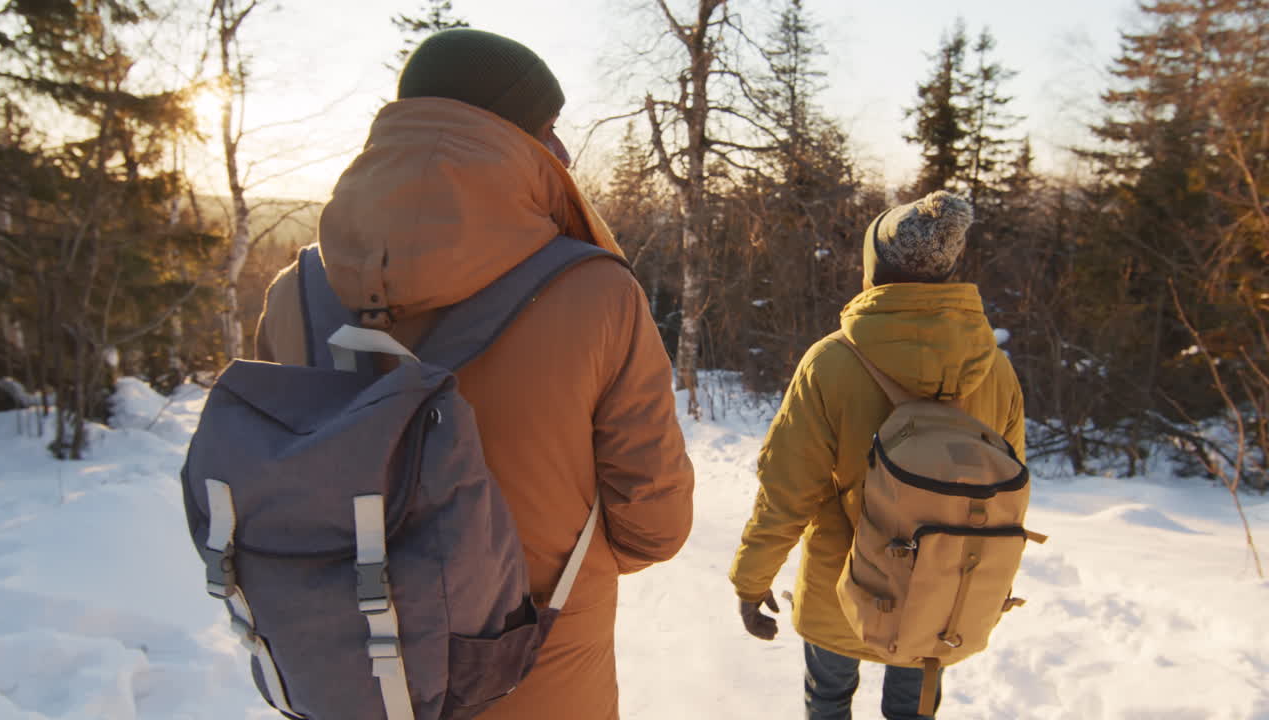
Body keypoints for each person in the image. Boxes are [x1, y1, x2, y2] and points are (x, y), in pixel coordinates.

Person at [253, 28, 695, 720]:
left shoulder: (295, 292)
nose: (563, 149)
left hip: (350, 675)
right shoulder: (597, 292)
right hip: (536, 676)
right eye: (549, 127)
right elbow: (654, 528)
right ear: (521, 139)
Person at [728, 191, 1026, 720]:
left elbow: (787, 494)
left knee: (828, 701)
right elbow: (1007, 494)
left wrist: (751, 582)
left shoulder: (832, 363)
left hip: (842, 589)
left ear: (874, 269)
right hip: (937, 592)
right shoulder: (995, 369)